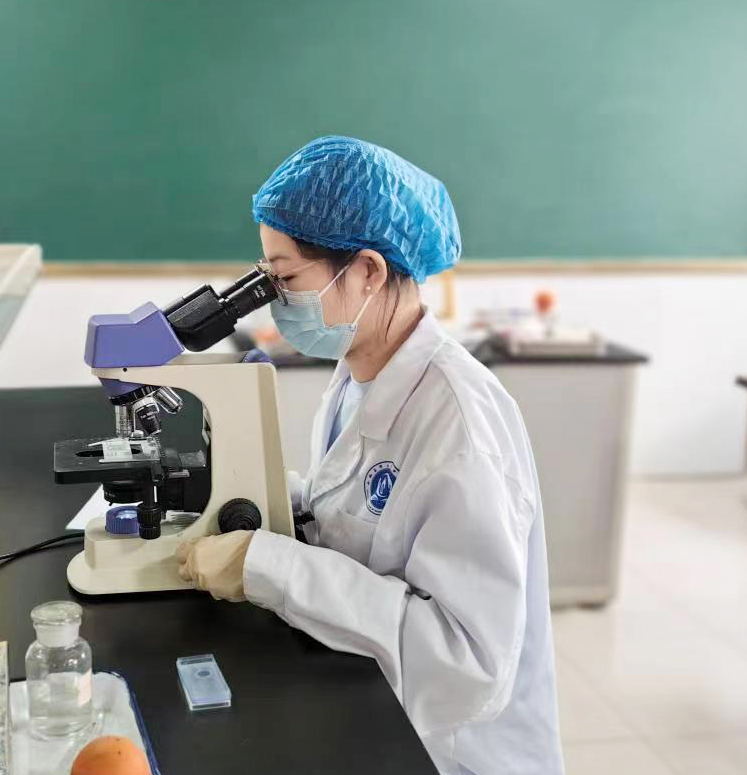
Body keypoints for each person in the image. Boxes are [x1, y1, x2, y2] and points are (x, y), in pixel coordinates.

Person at [177, 136, 564, 775]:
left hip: (450, 750)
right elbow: (351, 510)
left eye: (285, 279)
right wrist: (266, 493)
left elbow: (465, 663)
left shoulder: (460, 427)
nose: (274, 299)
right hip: (373, 707)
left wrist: (269, 566)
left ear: (368, 271)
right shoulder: (361, 369)